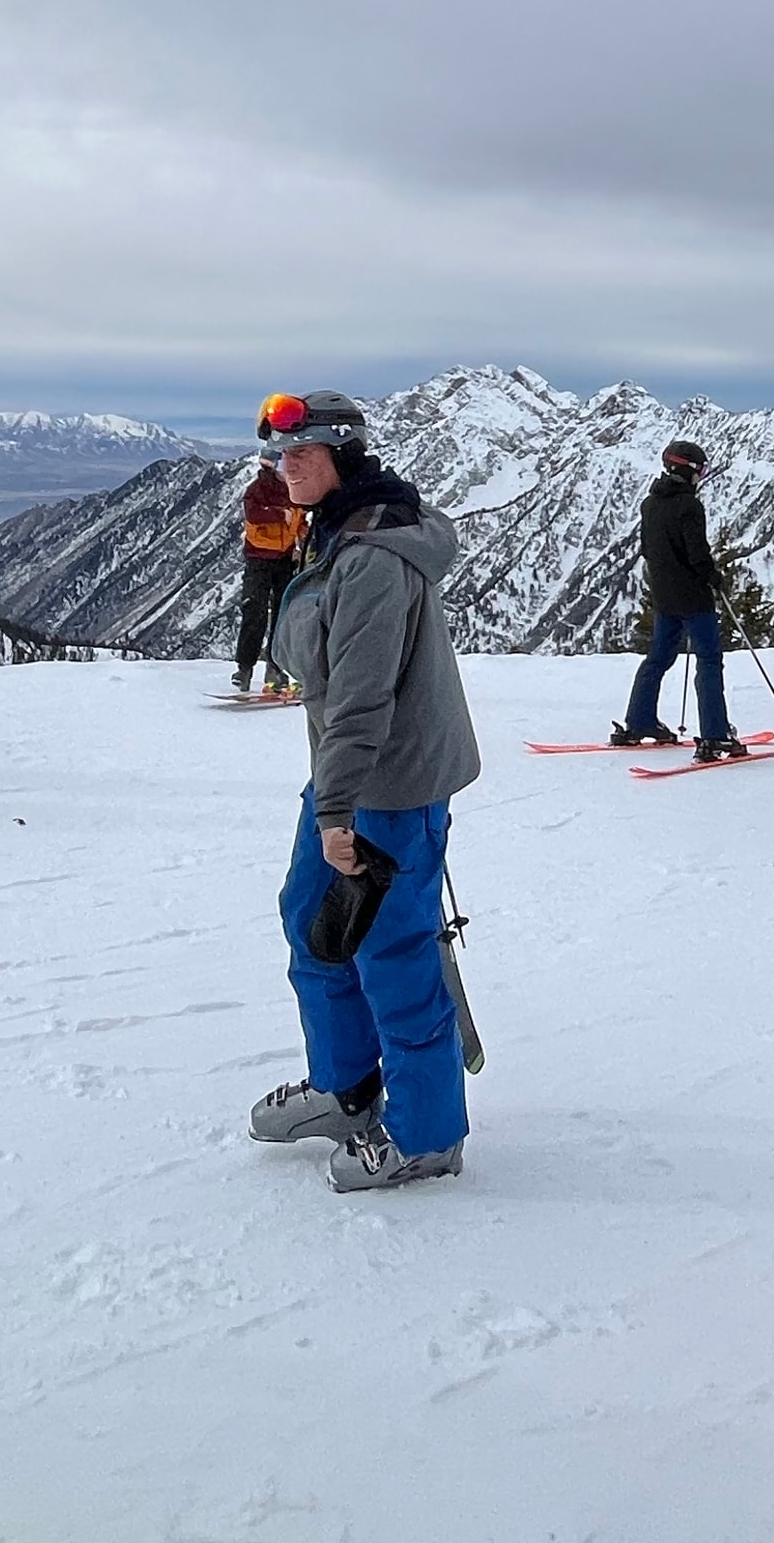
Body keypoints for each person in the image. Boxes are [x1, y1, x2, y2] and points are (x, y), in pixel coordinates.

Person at [242, 391, 485, 1192]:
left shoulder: (374, 557)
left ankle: (425, 1135)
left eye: (302, 454)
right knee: (312, 920)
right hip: (346, 777)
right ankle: (346, 1088)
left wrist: (338, 811)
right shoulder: (338, 531)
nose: (286, 468)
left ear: (343, 457)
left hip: (392, 783)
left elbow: (362, 697)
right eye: (280, 455)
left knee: (393, 951)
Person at [611, 439, 740, 759]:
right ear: (688, 470)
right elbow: (697, 554)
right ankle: (715, 734)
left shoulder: (650, 504)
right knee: (708, 660)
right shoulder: (689, 506)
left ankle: (639, 721)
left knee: (657, 659)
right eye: (700, 471)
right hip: (694, 598)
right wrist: (713, 577)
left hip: (664, 596)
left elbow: (647, 550)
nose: (701, 477)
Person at [233, 456, 303, 696]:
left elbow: (299, 519)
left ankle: (274, 667)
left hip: (284, 558)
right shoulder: (258, 489)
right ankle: (245, 668)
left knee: (281, 615)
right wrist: (279, 514)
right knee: (255, 611)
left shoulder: (294, 488)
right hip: (259, 558)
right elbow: (253, 514)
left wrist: (301, 541)